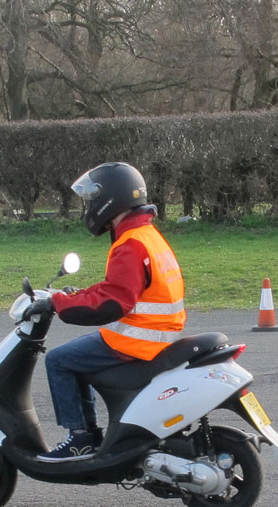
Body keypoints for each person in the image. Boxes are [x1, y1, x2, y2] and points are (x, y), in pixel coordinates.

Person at [24, 162, 185, 463]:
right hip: (158, 335)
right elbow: (120, 287)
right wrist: (74, 296)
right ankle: (89, 436)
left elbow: (113, 302)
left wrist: (58, 304)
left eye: (91, 199)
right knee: (76, 357)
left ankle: (81, 439)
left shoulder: (130, 244)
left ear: (110, 198)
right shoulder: (147, 235)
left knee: (60, 360)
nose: (89, 207)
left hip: (137, 341)